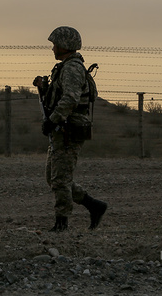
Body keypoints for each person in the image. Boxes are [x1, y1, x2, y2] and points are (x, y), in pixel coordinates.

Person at [34, 26, 107, 232]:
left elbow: (71, 98)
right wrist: (44, 88)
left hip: (68, 129)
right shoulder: (65, 67)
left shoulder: (72, 69)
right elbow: (61, 95)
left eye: (55, 44)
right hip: (63, 128)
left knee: (60, 179)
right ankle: (94, 206)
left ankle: (61, 223)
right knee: (53, 178)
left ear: (65, 45)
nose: (53, 49)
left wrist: (53, 120)